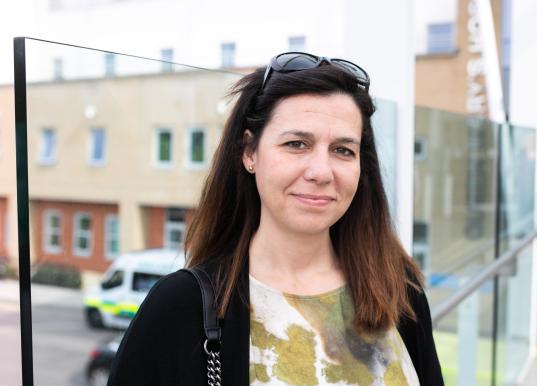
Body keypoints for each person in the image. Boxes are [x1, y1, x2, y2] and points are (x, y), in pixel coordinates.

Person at [108, 52, 443, 385]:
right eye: (297, 144)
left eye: (343, 150)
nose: (321, 172)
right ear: (249, 152)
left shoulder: (398, 291)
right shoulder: (180, 307)